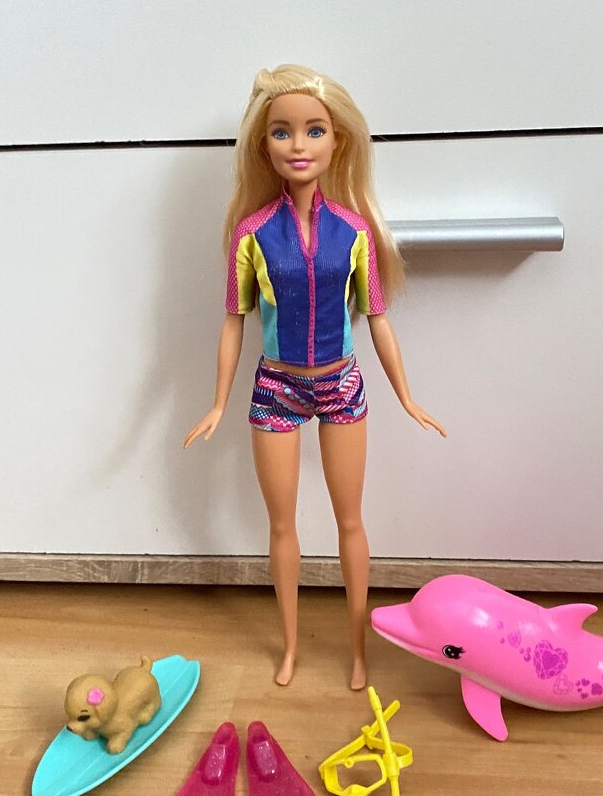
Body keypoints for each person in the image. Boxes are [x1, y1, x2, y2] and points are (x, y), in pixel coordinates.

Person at [185, 64, 445, 690]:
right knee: (282, 526)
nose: (298, 145)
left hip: (341, 383)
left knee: (350, 521)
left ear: (338, 140)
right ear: (263, 144)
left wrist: (406, 395)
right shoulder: (252, 234)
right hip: (276, 386)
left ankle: (357, 649)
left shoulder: (355, 232)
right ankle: (291, 648)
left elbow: (377, 318)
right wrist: (217, 402)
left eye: (314, 130)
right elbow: (233, 320)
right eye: (282, 132)